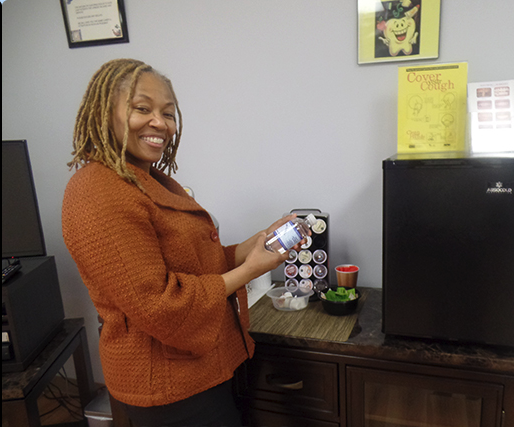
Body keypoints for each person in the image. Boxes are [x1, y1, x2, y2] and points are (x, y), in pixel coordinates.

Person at [62, 58, 305, 427]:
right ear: (103, 111)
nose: (160, 123)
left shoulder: (148, 179)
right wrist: (251, 269)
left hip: (203, 366)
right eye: (142, 109)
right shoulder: (96, 193)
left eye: (168, 113)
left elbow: (197, 262)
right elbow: (158, 304)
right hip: (166, 386)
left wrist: (257, 244)